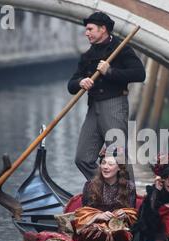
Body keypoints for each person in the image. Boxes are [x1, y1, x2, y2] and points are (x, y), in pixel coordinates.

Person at [68, 11, 146, 180]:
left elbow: (140, 74)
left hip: (114, 105)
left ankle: (127, 198)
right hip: (93, 108)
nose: (86, 33)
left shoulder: (121, 49)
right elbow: (71, 85)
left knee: (119, 157)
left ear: (103, 29)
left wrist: (109, 71)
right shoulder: (87, 56)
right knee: (82, 159)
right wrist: (81, 82)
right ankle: (104, 191)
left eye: (90, 29)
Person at [72, 147, 138, 241]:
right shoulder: (90, 186)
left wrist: (125, 215)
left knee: (121, 236)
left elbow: (133, 214)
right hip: (95, 226)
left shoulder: (129, 187)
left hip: (119, 227)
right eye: (103, 163)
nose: (105, 167)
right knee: (96, 235)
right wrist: (99, 216)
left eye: (110, 164)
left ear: (119, 167)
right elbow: (84, 213)